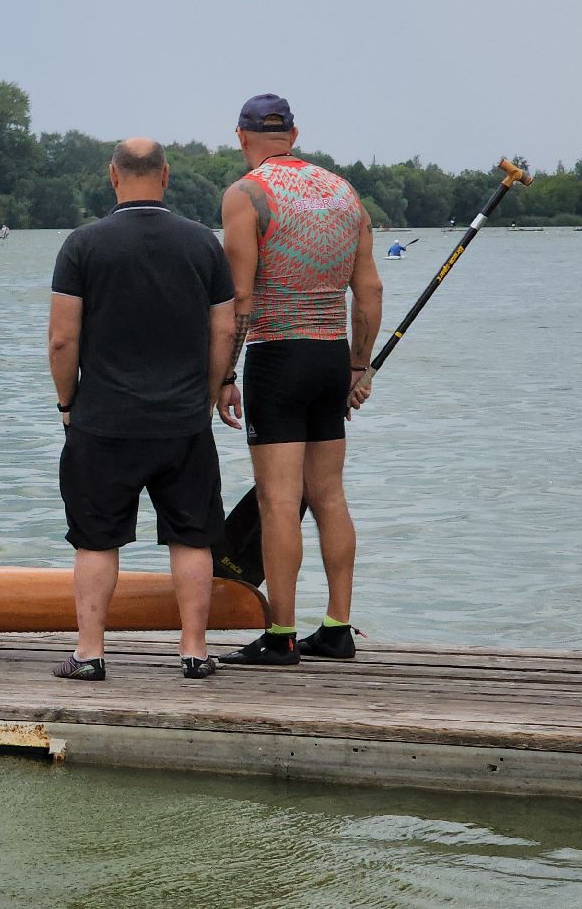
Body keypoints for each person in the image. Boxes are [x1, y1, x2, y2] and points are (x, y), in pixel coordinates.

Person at [49, 138, 238, 682]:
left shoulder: (82, 245)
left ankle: (90, 653)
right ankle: (194, 651)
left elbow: (62, 339)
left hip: (103, 421)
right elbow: (225, 331)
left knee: (95, 539)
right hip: (183, 421)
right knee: (192, 535)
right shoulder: (202, 243)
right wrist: (210, 393)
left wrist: (67, 403)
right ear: (166, 175)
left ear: (113, 176)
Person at [217, 94, 382, 666]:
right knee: (329, 495)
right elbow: (369, 291)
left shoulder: (246, 194)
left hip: (277, 357)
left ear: (242, 136)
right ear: (294, 133)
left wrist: (224, 373)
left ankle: (281, 634)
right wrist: (358, 366)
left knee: (279, 502)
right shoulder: (344, 192)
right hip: (331, 356)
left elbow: (240, 297)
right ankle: (337, 628)